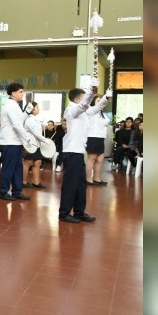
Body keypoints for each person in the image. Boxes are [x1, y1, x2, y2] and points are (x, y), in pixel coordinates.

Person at [58, 80, 111, 223]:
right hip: (71, 152)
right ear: (76, 100)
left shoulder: (84, 112)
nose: (87, 102)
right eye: (84, 99)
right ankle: (63, 213)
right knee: (70, 184)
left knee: (81, 184)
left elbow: (96, 107)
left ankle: (79, 212)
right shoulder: (71, 111)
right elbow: (85, 104)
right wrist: (91, 91)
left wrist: (106, 97)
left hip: (79, 152)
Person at [0, 83, 32, 201]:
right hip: (9, 142)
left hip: (16, 142)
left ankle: (17, 191)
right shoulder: (10, 105)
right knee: (8, 167)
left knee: (18, 167)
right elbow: (17, 125)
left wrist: (27, 112)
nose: (22, 94)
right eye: (21, 92)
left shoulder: (15, 105)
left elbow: (19, 120)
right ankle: (3, 191)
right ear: (13, 93)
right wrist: (27, 138)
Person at [22, 102, 53, 189]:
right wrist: (45, 140)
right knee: (28, 162)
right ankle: (23, 182)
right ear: (32, 109)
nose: (38, 109)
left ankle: (36, 182)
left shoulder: (36, 119)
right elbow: (35, 133)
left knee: (38, 162)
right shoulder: (29, 120)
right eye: (37, 107)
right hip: (30, 144)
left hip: (37, 144)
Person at [86, 94, 111, 185]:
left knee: (100, 159)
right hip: (93, 136)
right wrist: (106, 97)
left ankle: (97, 178)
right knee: (91, 158)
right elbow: (100, 105)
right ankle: (88, 179)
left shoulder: (102, 114)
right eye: (98, 101)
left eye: (101, 100)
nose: (100, 103)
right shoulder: (91, 111)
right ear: (93, 102)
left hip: (101, 138)